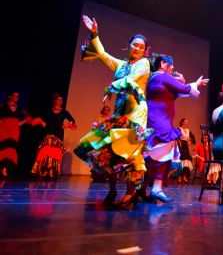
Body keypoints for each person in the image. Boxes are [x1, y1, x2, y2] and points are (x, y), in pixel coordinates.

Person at [74, 15, 152, 209]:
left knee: (131, 154)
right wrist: (94, 34)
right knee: (109, 152)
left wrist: (110, 87)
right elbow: (102, 54)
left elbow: (132, 80)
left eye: (141, 47)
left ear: (144, 51)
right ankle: (112, 189)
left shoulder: (144, 64)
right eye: (135, 45)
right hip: (119, 113)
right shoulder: (121, 65)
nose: (137, 49)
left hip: (135, 114)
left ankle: (131, 193)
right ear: (129, 45)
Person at [144, 54, 209, 203]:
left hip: (156, 118)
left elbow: (178, 91)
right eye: (170, 65)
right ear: (162, 63)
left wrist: (192, 84)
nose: (172, 68)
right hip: (160, 120)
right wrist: (190, 84)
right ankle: (156, 188)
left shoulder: (155, 78)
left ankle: (146, 188)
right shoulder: (163, 76)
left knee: (155, 152)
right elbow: (184, 89)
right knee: (163, 148)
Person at [31, 93, 76, 180]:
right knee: (46, 151)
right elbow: (42, 119)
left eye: (61, 100)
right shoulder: (49, 110)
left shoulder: (64, 112)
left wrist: (66, 126)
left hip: (58, 133)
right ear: (54, 101)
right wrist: (42, 123)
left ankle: (52, 171)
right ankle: (44, 170)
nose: (60, 101)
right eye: (58, 100)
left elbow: (72, 120)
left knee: (55, 153)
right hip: (48, 132)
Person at [0, 91, 32, 178]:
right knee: (3, 148)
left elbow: (28, 117)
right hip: (3, 130)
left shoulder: (20, 108)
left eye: (18, 96)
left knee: (11, 149)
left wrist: (20, 123)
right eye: (14, 95)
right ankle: (2, 167)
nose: (16, 97)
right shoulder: (3, 106)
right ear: (9, 96)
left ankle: (5, 169)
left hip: (14, 131)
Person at [177, 118, 196, 183]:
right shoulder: (179, 129)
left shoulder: (188, 130)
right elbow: (176, 136)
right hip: (181, 147)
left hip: (186, 147)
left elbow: (193, 138)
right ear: (182, 122)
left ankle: (184, 176)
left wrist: (190, 142)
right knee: (181, 162)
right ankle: (179, 177)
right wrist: (179, 141)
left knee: (187, 162)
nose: (186, 123)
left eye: (187, 122)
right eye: (185, 122)